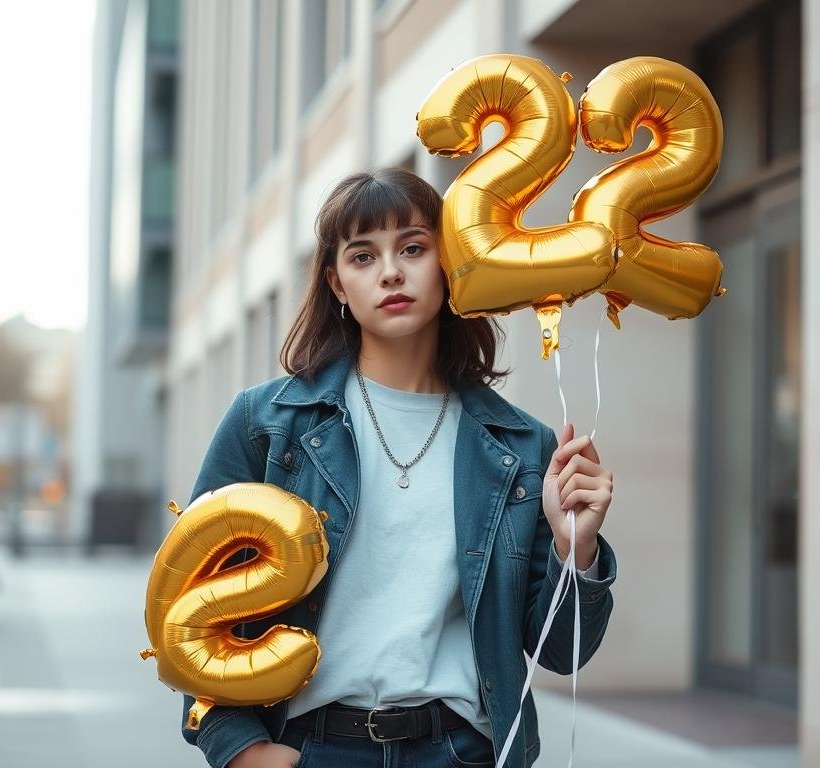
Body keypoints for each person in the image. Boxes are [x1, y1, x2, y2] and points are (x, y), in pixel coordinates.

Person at [180, 168, 617, 768]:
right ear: (336, 283)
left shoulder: (520, 446)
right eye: (363, 256)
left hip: (462, 749)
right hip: (311, 747)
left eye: (413, 248)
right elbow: (195, 602)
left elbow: (563, 651)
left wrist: (578, 551)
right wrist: (240, 749)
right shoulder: (269, 423)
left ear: (450, 263)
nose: (391, 271)